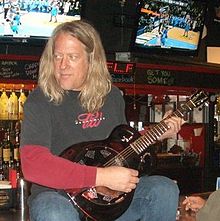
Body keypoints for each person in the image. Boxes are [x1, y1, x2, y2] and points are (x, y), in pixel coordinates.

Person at [20, 20, 184, 221]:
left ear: (92, 60)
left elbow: (120, 149)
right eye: (57, 56)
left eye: (72, 57)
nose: (62, 65)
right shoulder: (40, 100)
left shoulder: (112, 96)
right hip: (59, 195)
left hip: (108, 199)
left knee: (163, 188)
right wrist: (102, 176)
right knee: (55, 212)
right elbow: (34, 165)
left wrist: (156, 133)